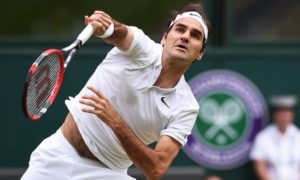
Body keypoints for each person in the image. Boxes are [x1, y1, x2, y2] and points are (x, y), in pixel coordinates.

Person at [21, 2, 212, 180]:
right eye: (180, 29)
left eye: (195, 35)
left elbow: (156, 169)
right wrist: (106, 26)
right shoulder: (143, 49)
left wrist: (115, 121)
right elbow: (119, 32)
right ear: (164, 38)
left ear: (200, 53)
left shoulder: (186, 107)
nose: (185, 37)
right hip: (57, 155)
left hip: (108, 174)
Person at [250, 95, 300, 180]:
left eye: (287, 113)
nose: (284, 117)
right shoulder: (263, 137)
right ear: (274, 115)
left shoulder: (298, 135)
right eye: (280, 113)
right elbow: (260, 166)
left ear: (292, 115)